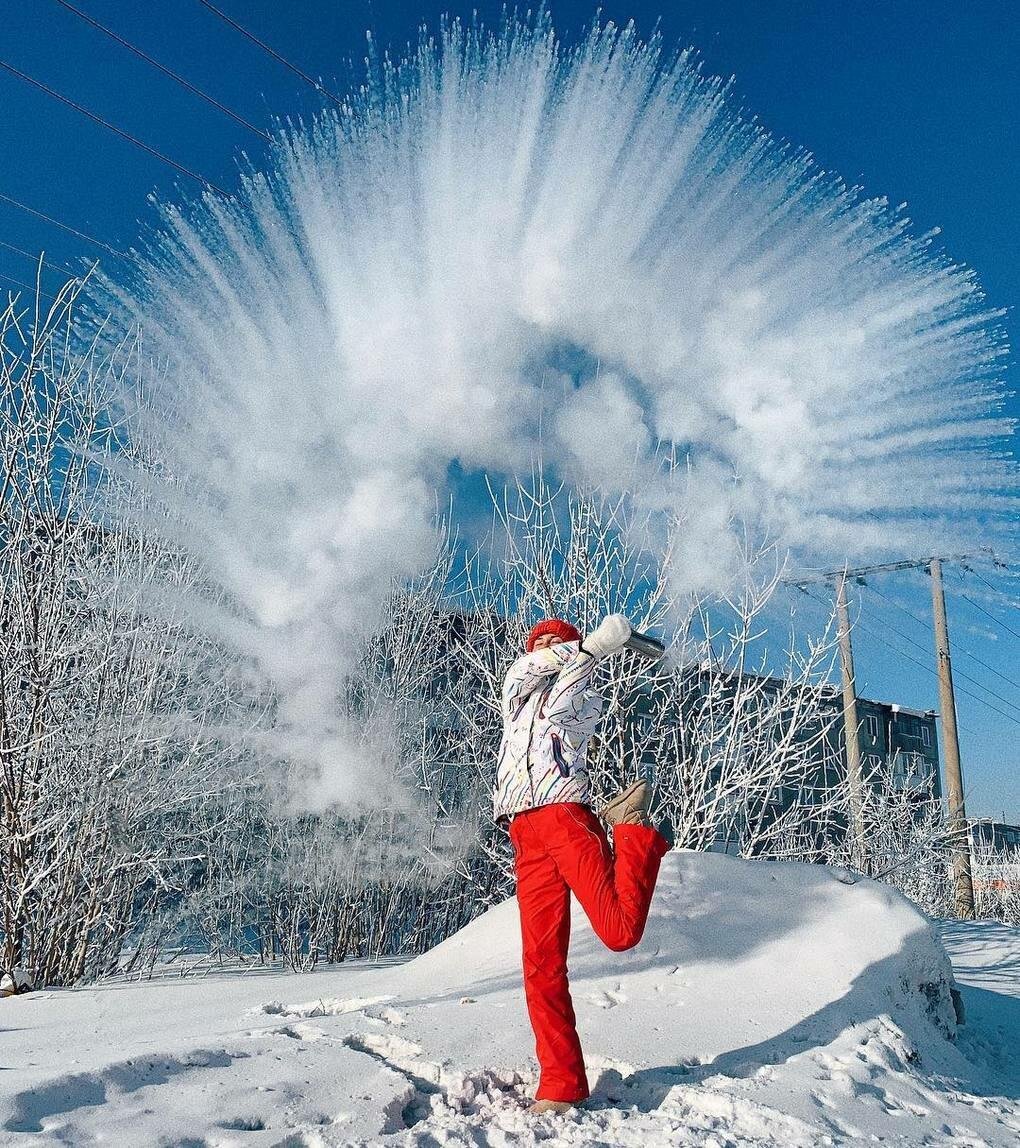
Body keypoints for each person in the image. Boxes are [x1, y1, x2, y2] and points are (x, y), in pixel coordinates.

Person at [495, 614, 670, 1114]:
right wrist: (586, 644)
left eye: (558, 641)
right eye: (540, 641)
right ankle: (562, 1084)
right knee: (540, 964)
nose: (546, 649)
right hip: (523, 832)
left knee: (619, 933)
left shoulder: (577, 693)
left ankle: (631, 827)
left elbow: (570, 677)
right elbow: (521, 673)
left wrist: (593, 650)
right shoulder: (516, 698)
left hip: (566, 818)